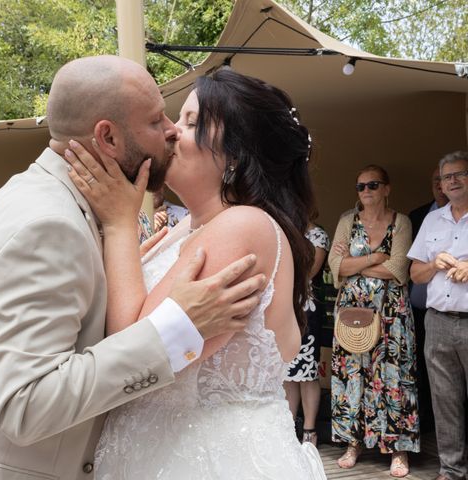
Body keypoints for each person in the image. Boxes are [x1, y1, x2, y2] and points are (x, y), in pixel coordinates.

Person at [0, 55, 265, 480]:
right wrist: (173, 331)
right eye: (156, 121)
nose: (172, 130)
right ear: (108, 137)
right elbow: (27, 404)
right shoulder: (50, 224)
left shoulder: (43, 194)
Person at [64, 68, 327, 478]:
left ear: (235, 155)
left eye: (190, 122)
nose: (170, 131)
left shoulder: (243, 226)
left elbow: (131, 350)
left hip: (211, 458)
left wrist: (119, 222)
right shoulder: (189, 227)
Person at [328, 165, 419, 478]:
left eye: (373, 185)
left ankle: (398, 449)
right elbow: (334, 266)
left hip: (392, 314)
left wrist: (354, 264)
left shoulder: (402, 221)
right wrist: (374, 258)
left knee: (394, 376)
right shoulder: (345, 221)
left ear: (386, 189)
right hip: (353, 313)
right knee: (353, 375)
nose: (366, 191)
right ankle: (353, 444)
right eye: (360, 186)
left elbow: (399, 270)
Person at [408, 151, 468, 480]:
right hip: (438, 322)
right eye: (447, 177)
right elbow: (415, 273)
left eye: (460, 174)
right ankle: (451, 469)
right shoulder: (433, 219)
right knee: (444, 400)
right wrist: (435, 264)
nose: (453, 181)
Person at [408, 166, 448, 433]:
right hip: (420, 308)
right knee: (421, 369)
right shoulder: (419, 215)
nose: (440, 184)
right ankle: (427, 424)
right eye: (437, 180)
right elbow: (408, 265)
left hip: (452, 311)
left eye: (444, 179)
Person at [284, 218, 330, 446]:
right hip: (284, 307)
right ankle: (289, 426)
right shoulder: (283, 229)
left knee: (308, 371)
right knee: (288, 372)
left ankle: (310, 429)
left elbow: (311, 271)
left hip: (307, 309)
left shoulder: (317, 235)